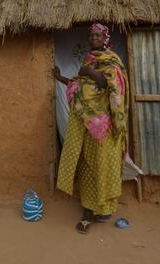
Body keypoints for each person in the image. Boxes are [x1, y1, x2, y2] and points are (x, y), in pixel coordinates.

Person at [54, 23, 129, 234]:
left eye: (97, 35)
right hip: (86, 122)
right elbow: (80, 84)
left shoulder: (111, 60)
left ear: (105, 38)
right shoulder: (89, 58)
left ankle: (103, 207)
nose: (93, 38)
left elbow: (110, 84)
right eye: (91, 35)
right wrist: (61, 78)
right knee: (87, 163)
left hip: (104, 124)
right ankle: (88, 212)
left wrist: (88, 71)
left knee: (103, 164)